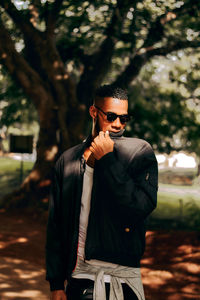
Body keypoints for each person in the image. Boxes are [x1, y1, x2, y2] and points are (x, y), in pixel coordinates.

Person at [46, 85, 158, 300]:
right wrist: (56, 283)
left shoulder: (139, 152)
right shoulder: (68, 160)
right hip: (78, 281)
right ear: (94, 112)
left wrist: (107, 160)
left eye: (123, 118)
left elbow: (138, 208)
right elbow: (56, 225)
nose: (117, 124)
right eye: (111, 116)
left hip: (120, 281)